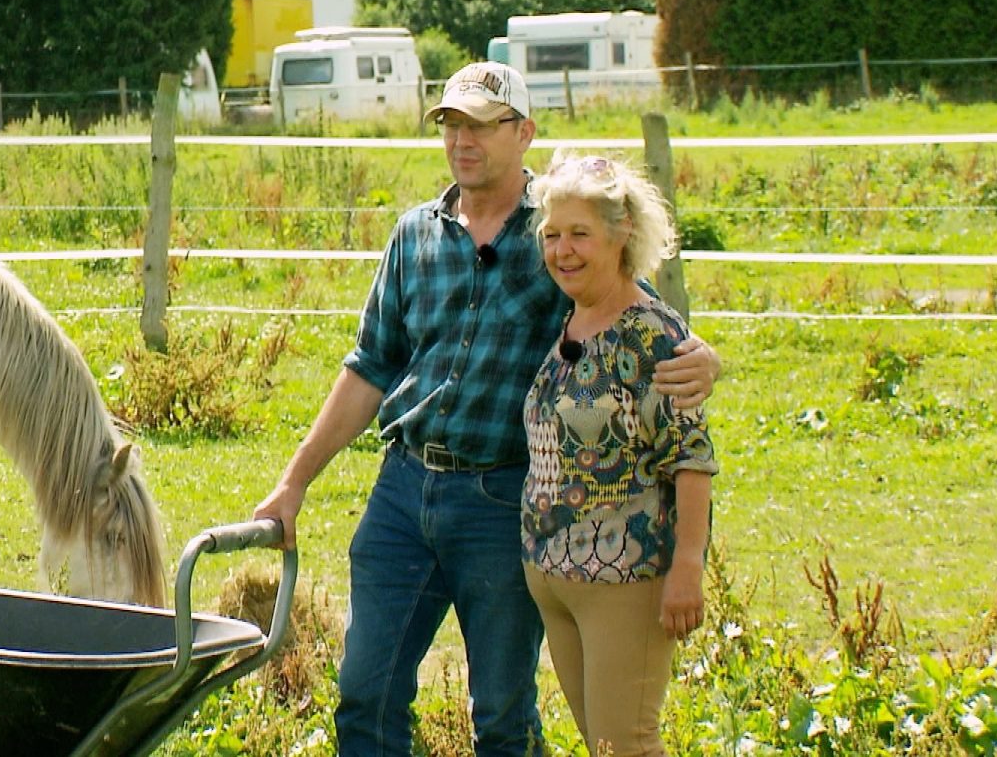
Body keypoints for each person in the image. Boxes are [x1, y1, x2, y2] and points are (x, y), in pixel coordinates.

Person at [252, 62, 719, 756]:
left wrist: (703, 353)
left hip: (503, 498)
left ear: (524, 132)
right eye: (451, 125)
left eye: (481, 125)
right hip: (403, 491)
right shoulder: (415, 236)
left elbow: (630, 306)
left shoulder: (557, 232)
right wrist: (294, 483)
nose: (462, 141)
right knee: (365, 691)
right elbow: (370, 365)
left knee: (501, 711)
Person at [521, 152, 718, 756]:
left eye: (580, 233)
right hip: (555, 572)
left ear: (621, 233)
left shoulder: (652, 335)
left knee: (627, 744)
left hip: (625, 577)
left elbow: (691, 454)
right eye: (552, 236)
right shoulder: (573, 319)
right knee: (602, 744)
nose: (563, 251)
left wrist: (688, 563)